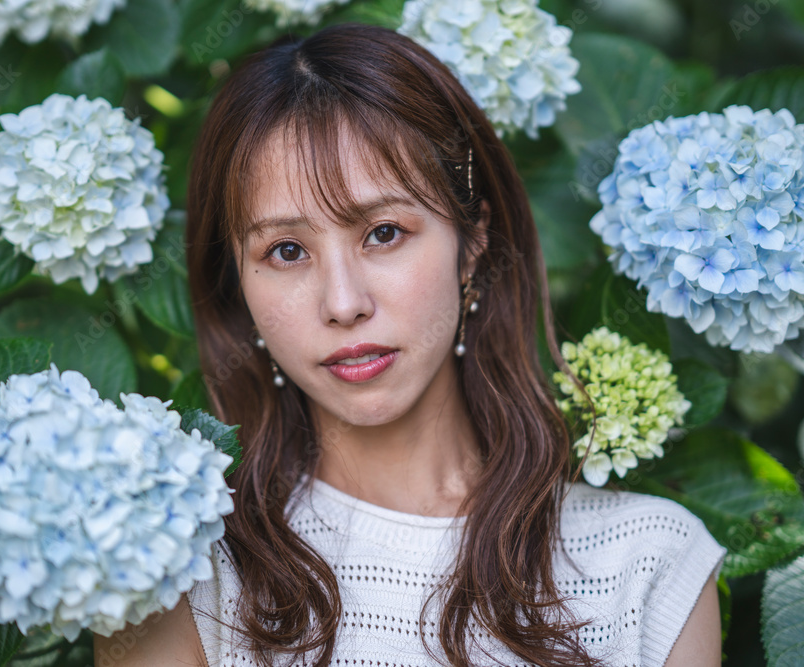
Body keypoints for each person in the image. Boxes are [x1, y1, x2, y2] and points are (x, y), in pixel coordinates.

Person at [94, 21, 726, 667]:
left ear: (472, 243)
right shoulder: (175, 572)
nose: (344, 303)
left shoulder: (650, 563)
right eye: (286, 251)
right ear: (237, 283)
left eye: (384, 233)